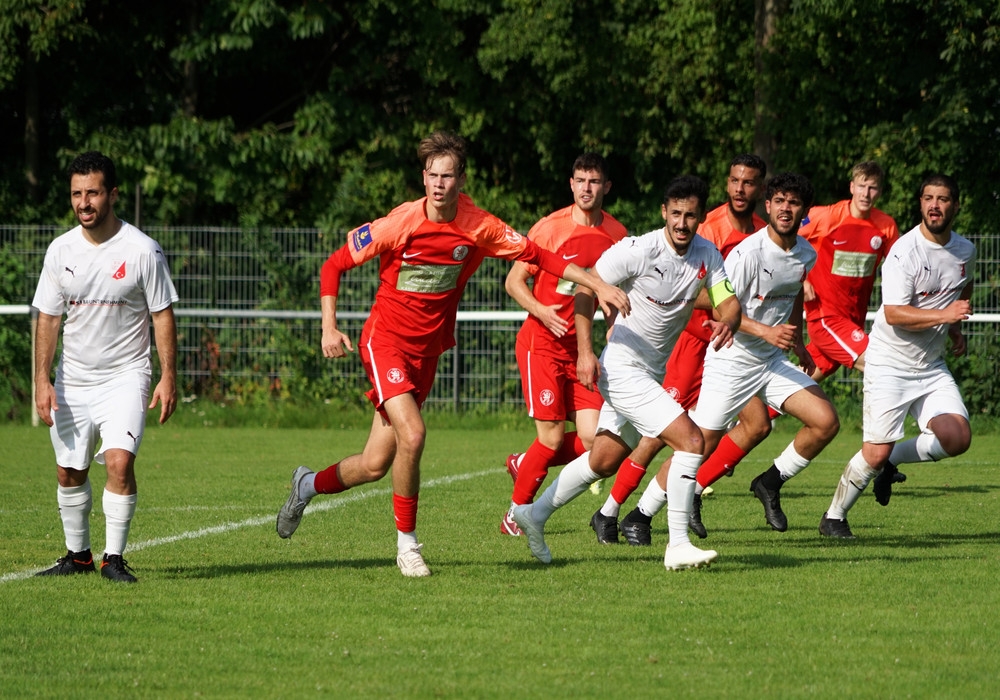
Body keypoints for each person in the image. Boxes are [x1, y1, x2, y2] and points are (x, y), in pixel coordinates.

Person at [274, 132, 630, 577]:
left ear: (461, 179)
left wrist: (595, 283)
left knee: (374, 464)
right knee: (414, 435)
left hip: (426, 353)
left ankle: (306, 485)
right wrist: (329, 326)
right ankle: (407, 546)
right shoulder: (400, 223)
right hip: (385, 342)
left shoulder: (479, 225)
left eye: (447, 176)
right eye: (432, 175)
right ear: (423, 177)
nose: (438, 184)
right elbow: (333, 264)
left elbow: (542, 257)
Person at [511, 175, 741, 571]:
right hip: (621, 368)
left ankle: (533, 514)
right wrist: (586, 353)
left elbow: (727, 301)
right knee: (691, 441)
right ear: (664, 212)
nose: (682, 223)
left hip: (649, 372)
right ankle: (678, 545)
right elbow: (585, 290)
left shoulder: (708, 255)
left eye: (690, 215)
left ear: (702, 217)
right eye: (675, 214)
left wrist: (730, 321)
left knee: (603, 459)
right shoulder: (638, 250)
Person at [618, 172, 840, 539]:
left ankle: (770, 481)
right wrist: (766, 331)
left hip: (770, 362)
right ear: (768, 206)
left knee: (826, 421)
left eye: (793, 203)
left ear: (804, 212)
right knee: (698, 446)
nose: (785, 209)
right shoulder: (748, 254)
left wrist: (798, 340)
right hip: (732, 361)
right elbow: (721, 306)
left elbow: (793, 293)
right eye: (779, 201)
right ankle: (640, 515)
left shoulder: (806, 253)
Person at [591, 154, 773, 544]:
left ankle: (684, 494)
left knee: (756, 425)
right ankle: (612, 511)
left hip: (729, 346)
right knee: (660, 435)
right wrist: (739, 317)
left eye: (749, 182)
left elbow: (739, 295)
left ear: (761, 189)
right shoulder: (708, 228)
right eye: (735, 181)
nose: (741, 189)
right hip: (686, 343)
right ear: (727, 184)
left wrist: (738, 316)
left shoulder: (762, 234)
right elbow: (691, 293)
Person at [33, 151, 179, 584]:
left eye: (93, 193)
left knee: (119, 462)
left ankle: (113, 558)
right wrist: (42, 378)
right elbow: (48, 318)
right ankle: (78, 556)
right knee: (69, 471)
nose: (84, 203)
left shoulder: (142, 250)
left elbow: (162, 314)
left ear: (112, 195)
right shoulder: (60, 250)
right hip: (73, 378)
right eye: (76, 194)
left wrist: (168, 374)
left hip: (126, 376)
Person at [820, 173, 974, 538]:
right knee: (874, 452)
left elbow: (962, 285)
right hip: (889, 363)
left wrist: (954, 329)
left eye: (943, 199)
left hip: (930, 366)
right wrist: (945, 316)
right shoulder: (904, 252)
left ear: (955, 205)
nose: (935, 205)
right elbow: (894, 314)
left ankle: (890, 461)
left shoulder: (966, 250)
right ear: (920, 203)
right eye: (928, 198)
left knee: (957, 437)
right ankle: (834, 518)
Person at [501, 154, 628, 537]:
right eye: (580, 180)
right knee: (552, 437)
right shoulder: (549, 229)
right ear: (571, 184)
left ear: (607, 186)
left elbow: (613, 292)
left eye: (594, 181)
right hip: (541, 346)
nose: (587, 188)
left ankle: (525, 462)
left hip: (581, 352)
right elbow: (513, 282)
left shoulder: (617, 235)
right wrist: (541, 311)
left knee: (594, 441)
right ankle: (515, 515)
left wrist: (614, 327)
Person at [799, 161, 907, 489]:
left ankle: (749, 419)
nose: (866, 193)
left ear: (879, 192)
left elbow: (901, 269)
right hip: (826, 317)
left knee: (797, 383)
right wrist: (801, 278)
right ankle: (883, 457)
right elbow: (782, 241)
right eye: (862, 185)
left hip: (852, 321)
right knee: (882, 367)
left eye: (873, 187)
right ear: (851, 187)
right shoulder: (824, 216)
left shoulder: (885, 226)